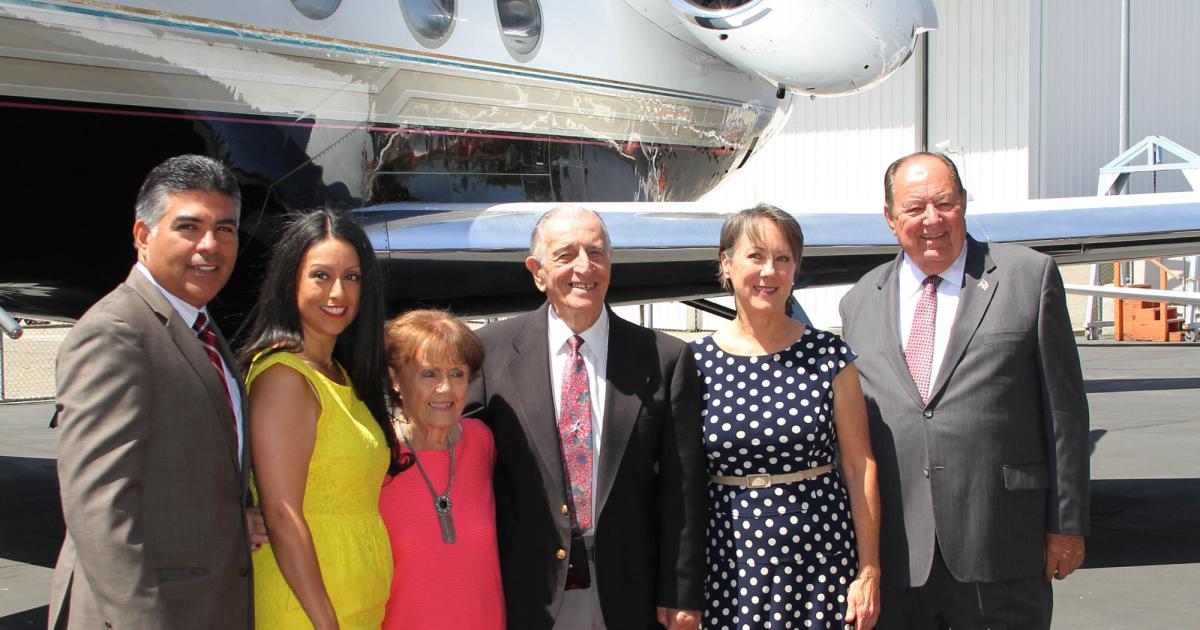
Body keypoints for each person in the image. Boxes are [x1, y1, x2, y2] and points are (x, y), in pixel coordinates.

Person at [839, 152, 1090, 629]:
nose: (931, 218)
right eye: (914, 208)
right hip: (899, 555)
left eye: (945, 202)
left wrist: (1067, 523)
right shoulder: (858, 303)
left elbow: (1066, 414)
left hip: (1001, 545)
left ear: (965, 204)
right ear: (891, 219)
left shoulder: (1028, 278)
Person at [465, 205, 707, 630]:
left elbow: (682, 486)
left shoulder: (665, 358)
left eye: (596, 252)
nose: (584, 266)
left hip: (631, 587)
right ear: (537, 271)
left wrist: (681, 590)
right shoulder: (489, 353)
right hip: (529, 588)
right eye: (566, 254)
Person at [49, 154, 255, 628]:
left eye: (225, 229)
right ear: (143, 236)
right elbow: (99, 506)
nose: (211, 246)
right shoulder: (115, 333)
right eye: (189, 227)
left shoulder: (200, 328)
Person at [694, 204, 881, 629]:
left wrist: (868, 571)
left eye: (782, 259)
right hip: (728, 565)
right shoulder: (693, 364)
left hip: (820, 562)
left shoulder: (829, 357)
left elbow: (858, 465)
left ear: (796, 269)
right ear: (727, 264)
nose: (769, 271)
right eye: (756, 256)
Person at [238, 209, 396, 629]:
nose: (338, 292)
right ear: (292, 281)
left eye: (352, 277)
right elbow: (281, 511)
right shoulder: (284, 378)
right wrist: (326, 622)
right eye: (321, 276)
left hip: (355, 602)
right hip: (307, 610)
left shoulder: (342, 376)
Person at [380, 309, 504, 629]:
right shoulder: (375, 455)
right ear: (396, 379)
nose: (445, 389)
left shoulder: (482, 442)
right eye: (429, 374)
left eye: (457, 374)